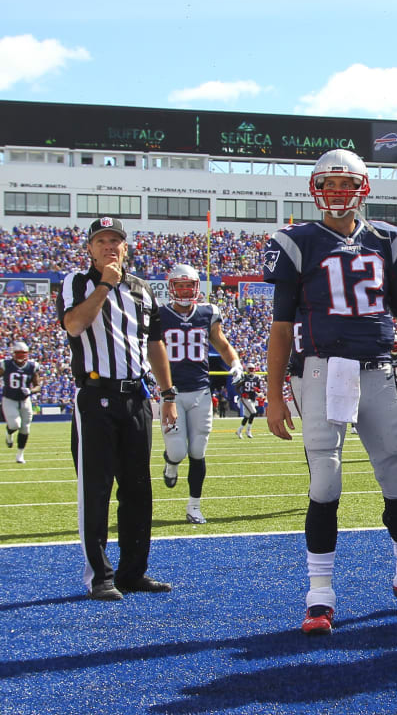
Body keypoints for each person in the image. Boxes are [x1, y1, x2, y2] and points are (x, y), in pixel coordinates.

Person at [262, 148, 397, 635]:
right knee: (325, 481)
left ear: (363, 189)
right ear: (316, 191)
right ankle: (319, 596)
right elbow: (281, 326)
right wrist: (274, 392)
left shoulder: (386, 240)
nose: (339, 194)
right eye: (330, 185)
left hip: (378, 370)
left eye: (347, 185)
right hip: (323, 371)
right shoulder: (296, 241)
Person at [58, 216, 179, 601]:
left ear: (126, 247)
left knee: (138, 490)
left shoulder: (143, 290)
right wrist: (106, 284)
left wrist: (168, 394)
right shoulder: (77, 282)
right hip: (95, 396)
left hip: (136, 398)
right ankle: (99, 576)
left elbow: (156, 343)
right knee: (96, 488)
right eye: (101, 241)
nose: (110, 246)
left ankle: (132, 572)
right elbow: (75, 325)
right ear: (89, 249)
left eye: (116, 240)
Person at [158, 264, 243, 524]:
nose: (184, 290)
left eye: (188, 285)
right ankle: (170, 464)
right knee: (176, 451)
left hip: (200, 392)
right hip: (171, 394)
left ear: (196, 287)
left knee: (197, 450)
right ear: (171, 287)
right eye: (179, 285)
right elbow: (149, 348)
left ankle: (194, 506)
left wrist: (236, 363)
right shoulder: (159, 314)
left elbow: (221, 343)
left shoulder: (208, 313)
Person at [2, 341, 41, 464]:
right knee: (14, 425)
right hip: (9, 399)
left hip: (25, 401)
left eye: (22, 353)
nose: (20, 356)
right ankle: (9, 434)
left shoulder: (32, 366)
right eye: (18, 353)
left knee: (25, 429)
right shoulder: (6, 365)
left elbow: (38, 386)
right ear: (14, 354)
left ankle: (20, 455)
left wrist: (30, 390)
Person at [235, 369, 262, 438]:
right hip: (245, 398)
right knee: (253, 412)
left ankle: (239, 430)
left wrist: (257, 390)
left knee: (247, 416)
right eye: (250, 369)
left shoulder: (256, 379)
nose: (251, 371)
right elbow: (237, 387)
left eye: (252, 369)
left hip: (252, 399)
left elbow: (259, 390)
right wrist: (242, 394)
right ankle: (248, 430)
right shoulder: (244, 378)